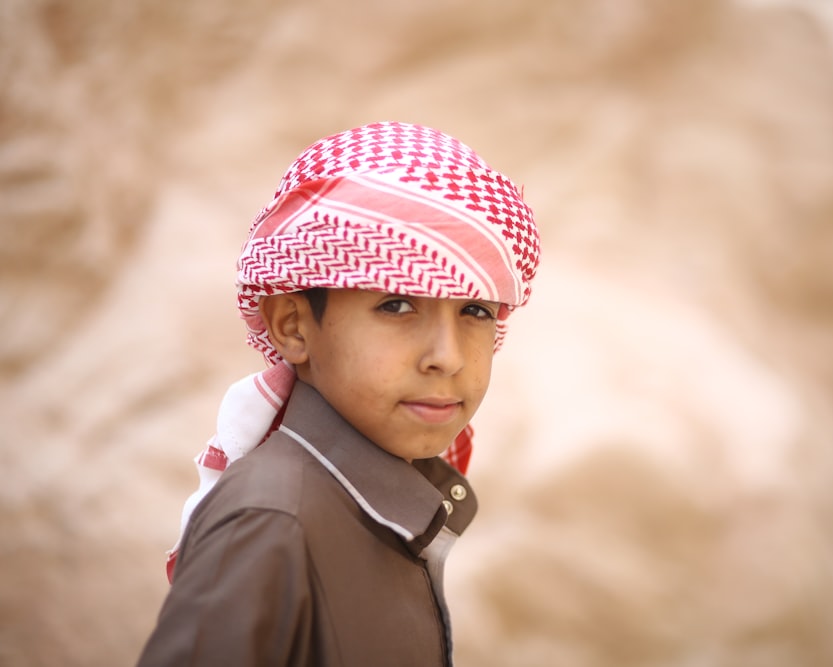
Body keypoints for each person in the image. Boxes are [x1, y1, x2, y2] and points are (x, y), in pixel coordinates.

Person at [136, 121, 540, 666]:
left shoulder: (378, 501)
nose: (446, 355)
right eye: (397, 305)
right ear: (293, 327)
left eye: (475, 311)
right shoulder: (271, 521)